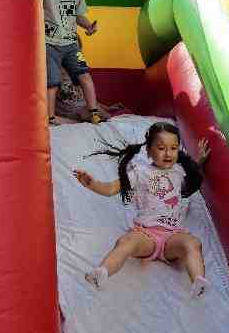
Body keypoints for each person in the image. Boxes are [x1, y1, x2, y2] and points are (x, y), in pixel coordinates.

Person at [73, 122, 211, 297]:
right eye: (161, 148)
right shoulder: (140, 173)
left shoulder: (179, 171)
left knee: (192, 243)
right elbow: (111, 189)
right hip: (147, 235)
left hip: (172, 236)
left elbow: (191, 175)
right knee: (126, 241)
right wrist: (92, 184)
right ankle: (102, 272)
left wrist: (199, 160)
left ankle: (198, 281)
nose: (168, 154)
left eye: (173, 148)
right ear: (149, 151)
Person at [44, 0, 103, 125]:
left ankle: (94, 113)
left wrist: (88, 26)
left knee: (84, 75)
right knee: (52, 81)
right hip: (49, 41)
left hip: (71, 43)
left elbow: (78, 15)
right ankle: (50, 118)